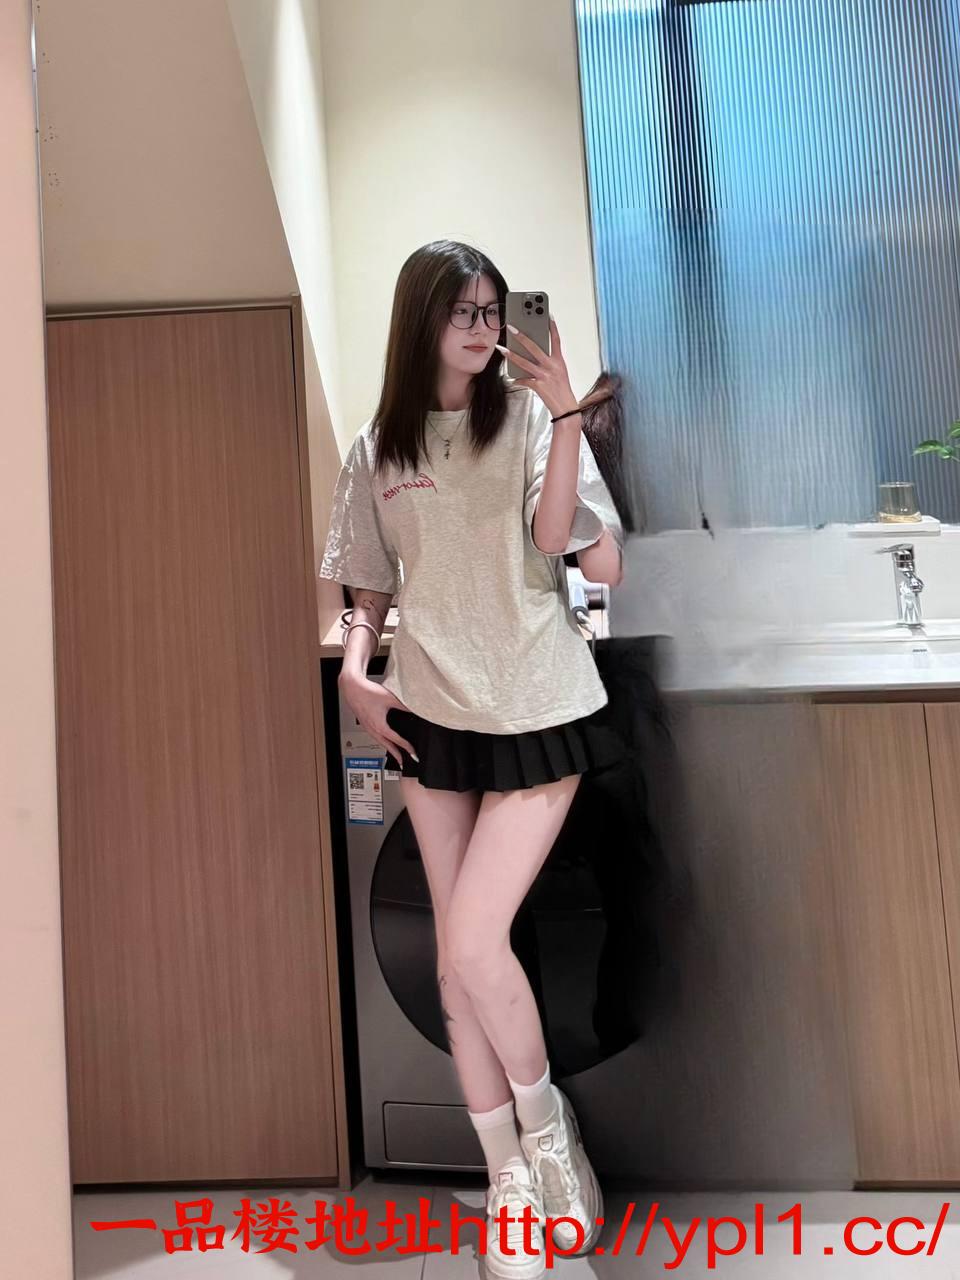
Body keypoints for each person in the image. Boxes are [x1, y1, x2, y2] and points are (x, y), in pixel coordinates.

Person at [319, 239, 628, 1278]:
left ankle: (550, 1140)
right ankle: (507, 1176)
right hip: (431, 714)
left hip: (537, 702)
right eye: (464, 310)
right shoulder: (378, 447)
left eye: (494, 310)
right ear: (422, 320)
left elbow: (558, 540)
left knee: (474, 939)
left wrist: (568, 412)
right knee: (455, 960)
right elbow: (366, 586)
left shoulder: (531, 419)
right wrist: (354, 669)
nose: (484, 327)